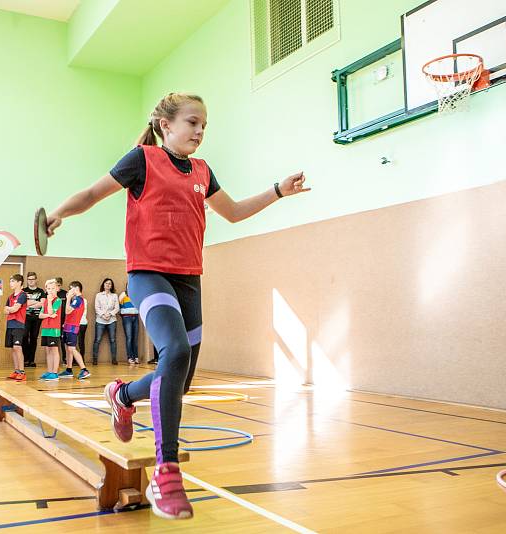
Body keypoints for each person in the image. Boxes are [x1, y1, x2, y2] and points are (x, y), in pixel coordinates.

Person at [45, 92, 309, 519]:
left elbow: (235, 212)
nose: (200, 132)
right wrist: (59, 213)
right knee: (176, 354)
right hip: (148, 274)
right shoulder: (141, 160)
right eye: (192, 123)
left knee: (179, 381)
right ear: (166, 125)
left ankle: (123, 394)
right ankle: (165, 471)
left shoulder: (204, 171)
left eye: (204, 125)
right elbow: (94, 193)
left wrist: (279, 190)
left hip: (189, 281)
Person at [58, 281, 90, 380]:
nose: (69, 291)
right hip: (67, 326)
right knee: (68, 348)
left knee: (72, 348)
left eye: (71, 289)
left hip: (72, 327)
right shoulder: (74, 299)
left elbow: (67, 310)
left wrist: (68, 298)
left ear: (76, 289)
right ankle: (69, 369)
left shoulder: (78, 300)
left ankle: (84, 369)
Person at [4, 274, 28, 381]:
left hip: (19, 324)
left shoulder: (22, 295)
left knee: (18, 347)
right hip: (10, 324)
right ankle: (16, 370)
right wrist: (10, 308)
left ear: (19, 282)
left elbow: (15, 309)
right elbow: (5, 310)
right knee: (13, 348)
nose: (11, 283)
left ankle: (22, 372)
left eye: (13, 281)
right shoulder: (10, 296)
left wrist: (11, 308)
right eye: (10, 281)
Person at [37, 279, 62, 381]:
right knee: (48, 350)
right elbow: (40, 315)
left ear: (56, 288)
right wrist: (49, 315)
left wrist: (50, 303)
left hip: (54, 329)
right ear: (46, 289)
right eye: (48, 288)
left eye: (52, 288)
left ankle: (55, 373)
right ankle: (49, 371)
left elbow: (52, 311)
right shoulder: (46, 301)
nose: (50, 290)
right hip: (45, 328)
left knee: (54, 350)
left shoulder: (58, 300)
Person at [92, 278, 119, 365]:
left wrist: (110, 314)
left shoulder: (114, 295)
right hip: (100, 320)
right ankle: (95, 359)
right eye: (106, 283)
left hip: (112, 320)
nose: (108, 285)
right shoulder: (98, 295)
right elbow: (97, 308)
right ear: (103, 285)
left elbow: (117, 308)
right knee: (97, 339)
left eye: (110, 284)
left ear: (111, 286)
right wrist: (103, 315)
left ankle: (114, 359)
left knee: (113, 340)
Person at [22, 272, 44, 368]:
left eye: (32, 279)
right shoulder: (23, 291)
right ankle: (25, 359)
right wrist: (36, 302)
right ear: (27, 280)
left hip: (37, 318)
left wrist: (30, 303)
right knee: (25, 336)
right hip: (25, 317)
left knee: (34, 338)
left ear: (36, 280)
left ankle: (31, 360)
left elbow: (42, 304)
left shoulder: (41, 291)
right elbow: (23, 304)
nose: (31, 281)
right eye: (29, 279)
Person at [119, 284, 140, 365]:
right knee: (129, 338)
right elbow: (120, 306)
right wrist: (124, 314)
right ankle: (130, 357)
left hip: (135, 317)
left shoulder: (136, 294)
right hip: (127, 317)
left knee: (135, 338)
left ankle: (136, 357)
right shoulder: (123, 294)